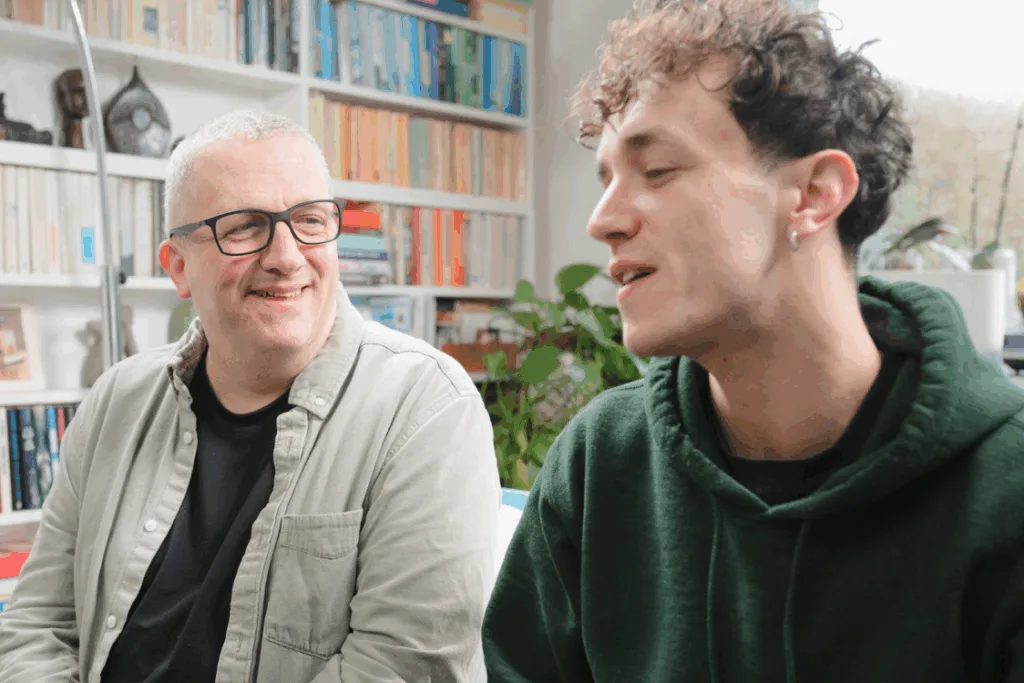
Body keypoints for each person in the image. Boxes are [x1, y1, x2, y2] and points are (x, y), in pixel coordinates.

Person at [482, 1, 1024, 681]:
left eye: (659, 172)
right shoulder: (600, 465)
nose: (603, 221)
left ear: (814, 194)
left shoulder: (1006, 490)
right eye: (606, 180)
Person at [0, 109, 500, 683]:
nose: (287, 257)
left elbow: (403, 668)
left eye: (310, 220)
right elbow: (38, 624)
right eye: (243, 227)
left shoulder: (425, 408)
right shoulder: (117, 399)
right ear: (178, 267)